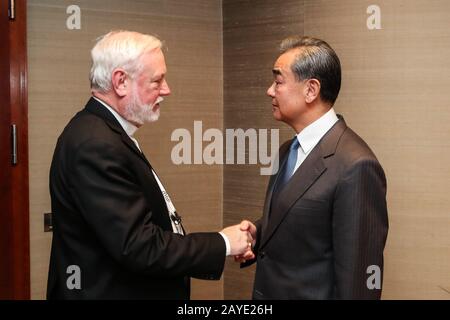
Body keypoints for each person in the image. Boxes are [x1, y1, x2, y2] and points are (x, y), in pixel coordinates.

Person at [47, 30, 254, 299]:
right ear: (121, 82)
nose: (166, 90)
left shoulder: (107, 132)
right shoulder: (96, 143)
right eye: (157, 81)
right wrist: (224, 243)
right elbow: (138, 246)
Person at [238, 36, 389, 299]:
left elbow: (359, 283)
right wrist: (259, 231)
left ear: (311, 90)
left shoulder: (356, 166)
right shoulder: (288, 149)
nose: (270, 91)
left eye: (278, 81)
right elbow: (303, 219)